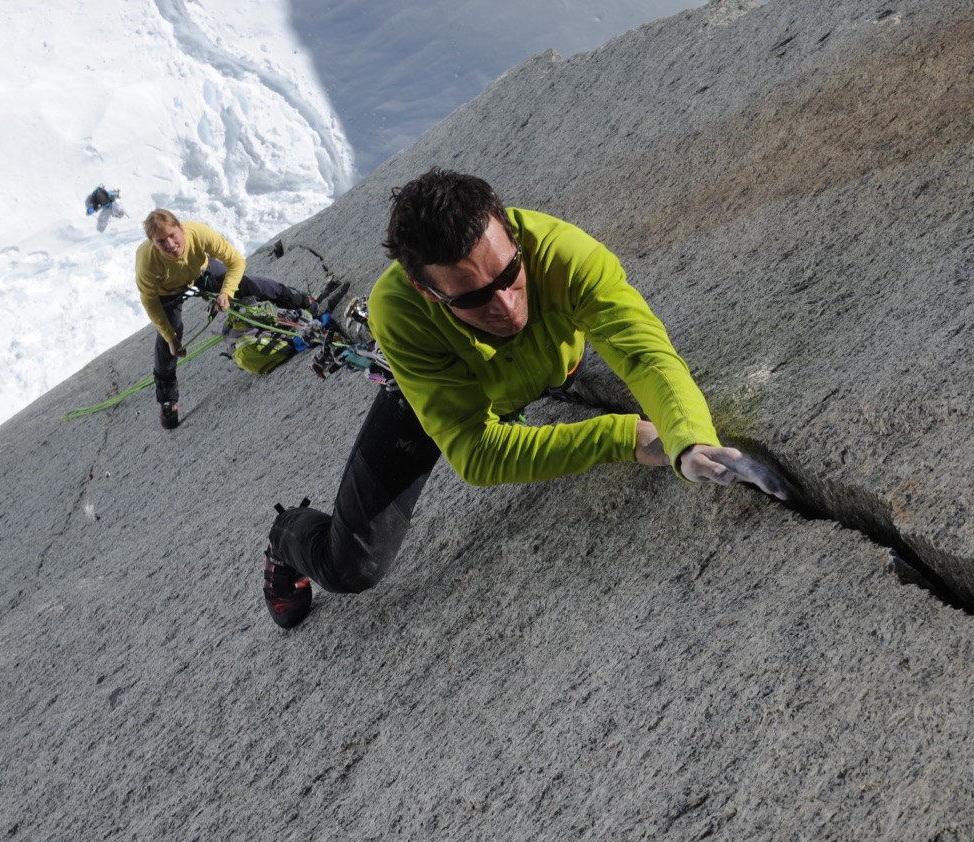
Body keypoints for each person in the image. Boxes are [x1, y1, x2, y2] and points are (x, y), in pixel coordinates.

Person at [262, 169, 784, 628]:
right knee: (352, 569)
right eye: (471, 298)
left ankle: (529, 359)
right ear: (428, 292)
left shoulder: (564, 253)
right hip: (447, 388)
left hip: (539, 366)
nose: (508, 308)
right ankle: (288, 536)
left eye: (511, 275)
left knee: (563, 359)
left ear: (512, 234)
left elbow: (644, 356)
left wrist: (689, 441)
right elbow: (476, 452)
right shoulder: (399, 312)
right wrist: (623, 435)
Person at [136, 209, 311, 429]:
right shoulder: (148, 261)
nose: (170, 244)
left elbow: (236, 261)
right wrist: (170, 336)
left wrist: (226, 292)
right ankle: (167, 400)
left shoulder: (198, 233)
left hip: (201, 271)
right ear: (153, 243)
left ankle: (300, 300)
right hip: (167, 292)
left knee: (245, 285)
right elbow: (150, 301)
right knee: (168, 340)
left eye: (172, 235)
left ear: (181, 228)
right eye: (161, 241)